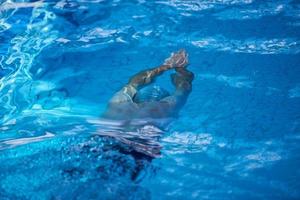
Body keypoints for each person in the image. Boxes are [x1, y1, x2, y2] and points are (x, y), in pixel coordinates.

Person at [102, 49, 194, 121]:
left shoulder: (117, 103)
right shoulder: (162, 110)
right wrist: (182, 71)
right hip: (138, 143)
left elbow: (134, 82)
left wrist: (166, 66)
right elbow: (184, 88)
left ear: (134, 99)